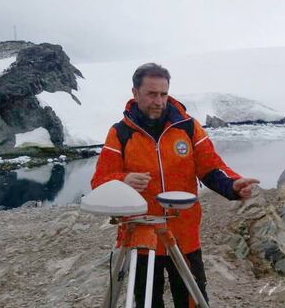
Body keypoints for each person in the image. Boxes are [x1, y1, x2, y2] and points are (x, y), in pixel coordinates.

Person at [91, 63, 259, 307]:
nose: (158, 101)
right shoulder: (120, 133)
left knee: (190, 300)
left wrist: (233, 185)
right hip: (140, 235)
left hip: (183, 233)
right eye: (151, 94)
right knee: (147, 301)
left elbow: (211, 167)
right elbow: (99, 181)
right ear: (135, 93)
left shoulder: (188, 128)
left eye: (163, 94)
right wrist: (123, 180)